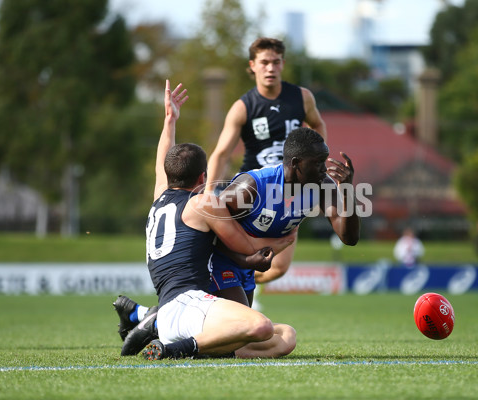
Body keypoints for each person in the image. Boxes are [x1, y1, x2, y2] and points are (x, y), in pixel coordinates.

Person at [118, 126, 361, 355]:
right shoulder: (250, 186)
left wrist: (347, 189)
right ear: (296, 164)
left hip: (250, 263)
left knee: (248, 337)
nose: (324, 169)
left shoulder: (322, 186)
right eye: (318, 163)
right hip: (224, 262)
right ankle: (161, 327)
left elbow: (349, 238)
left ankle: (153, 322)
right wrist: (245, 258)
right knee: (248, 330)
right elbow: (212, 231)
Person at [130, 79, 298, 360]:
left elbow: (163, 161)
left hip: (176, 311)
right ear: (202, 178)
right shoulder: (202, 203)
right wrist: (285, 237)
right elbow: (248, 247)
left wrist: (169, 121)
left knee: (286, 338)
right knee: (259, 325)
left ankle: (186, 340)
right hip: (190, 305)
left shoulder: (160, 196)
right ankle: (177, 350)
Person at [206, 37, 327, 288]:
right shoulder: (243, 107)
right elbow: (221, 153)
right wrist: (208, 192)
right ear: (252, 65)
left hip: (290, 190)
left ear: (283, 64)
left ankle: (242, 283)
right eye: (264, 62)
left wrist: (317, 161)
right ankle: (225, 289)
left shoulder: (302, 98)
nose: (270, 68)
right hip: (256, 192)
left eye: (275, 62)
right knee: (241, 252)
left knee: (278, 268)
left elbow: (318, 124)